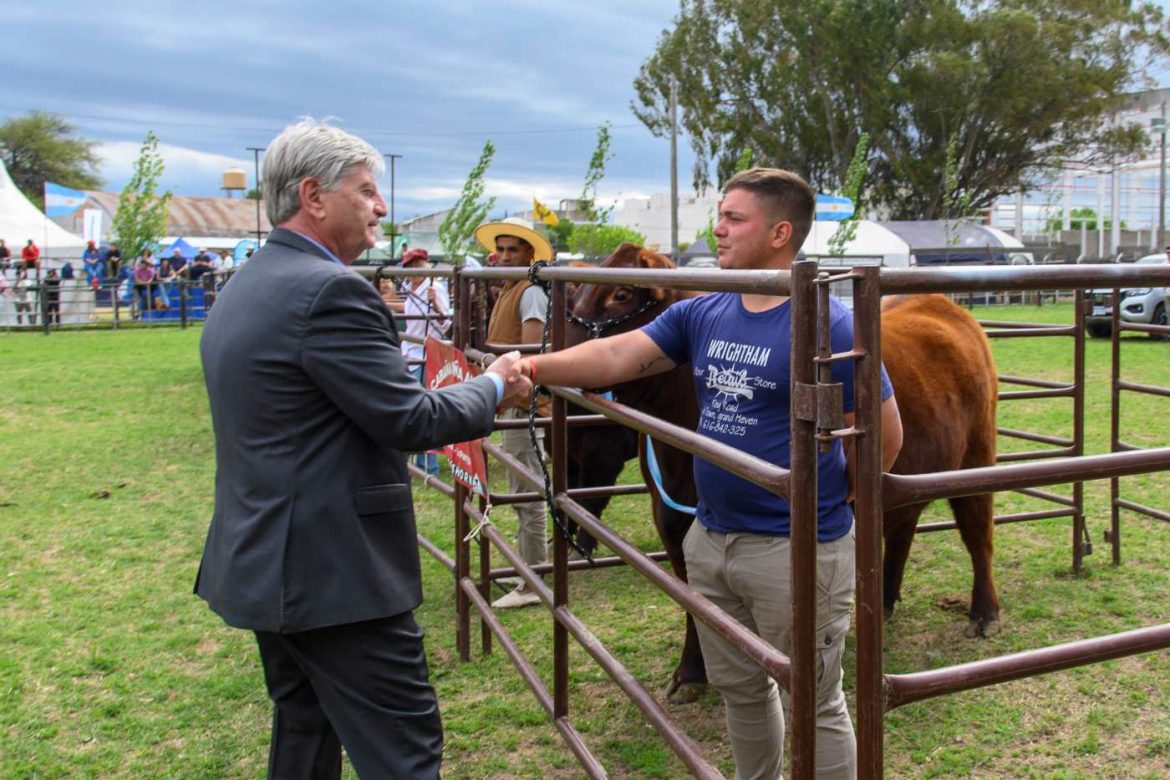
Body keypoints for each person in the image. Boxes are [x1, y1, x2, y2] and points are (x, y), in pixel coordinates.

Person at [510, 168, 904, 779]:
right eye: (719, 215)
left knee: (815, 700)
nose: (716, 229)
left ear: (779, 232)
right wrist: (534, 369)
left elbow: (882, 434)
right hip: (711, 536)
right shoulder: (704, 311)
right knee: (741, 689)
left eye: (733, 218)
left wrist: (831, 509)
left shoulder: (830, 323)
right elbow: (619, 353)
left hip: (794, 547)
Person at [195, 119, 531, 780]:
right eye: (368, 190)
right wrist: (496, 384)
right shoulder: (331, 291)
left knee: (304, 732)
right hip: (335, 575)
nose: (382, 207)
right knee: (402, 753)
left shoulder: (248, 282)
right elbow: (409, 418)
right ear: (314, 196)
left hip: (268, 557)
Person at [474, 216, 554, 609]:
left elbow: (529, 350)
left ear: (528, 254)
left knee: (529, 489)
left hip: (523, 401)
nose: (504, 255)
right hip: (511, 399)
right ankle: (529, 570)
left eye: (513, 250)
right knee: (523, 485)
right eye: (501, 249)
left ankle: (533, 579)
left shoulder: (530, 292)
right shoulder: (510, 288)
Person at [386, 248, 450, 477]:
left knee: (421, 407)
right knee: (414, 405)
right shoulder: (411, 289)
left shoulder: (434, 288)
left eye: (417, 265)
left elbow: (445, 324)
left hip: (426, 353)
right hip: (411, 352)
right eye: (409, 266)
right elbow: (408, 309)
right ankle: (417, 462)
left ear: (426, 264)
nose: (413, 270)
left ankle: (428, 466)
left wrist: (436, 305)